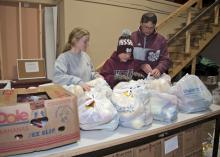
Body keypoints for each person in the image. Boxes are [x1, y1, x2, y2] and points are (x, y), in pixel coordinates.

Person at [131, 12, 170, 78]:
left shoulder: (161, 40)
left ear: (155, 26)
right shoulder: (132, 37)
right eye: (146, 27)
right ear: (141, 23)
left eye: (151, 28)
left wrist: (159, 69)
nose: (148, 30)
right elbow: (125, 59)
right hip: (133, 77)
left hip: (152, 79)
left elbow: (165, 60)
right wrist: (140, 65)